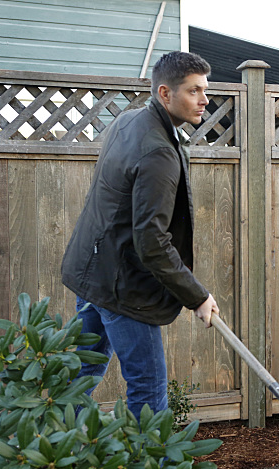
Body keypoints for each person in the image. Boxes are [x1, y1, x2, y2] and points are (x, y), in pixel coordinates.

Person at [61, 51, 220, 420]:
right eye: (194, 91)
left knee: (75, 379)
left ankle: (46, 455)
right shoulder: (158, 151)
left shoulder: (128, 120)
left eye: (204, 89)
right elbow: (151, 241)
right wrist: (196, 296)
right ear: (165, 93)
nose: (204, 99)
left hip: (94, 274)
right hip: (124, 289)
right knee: (147, 390)